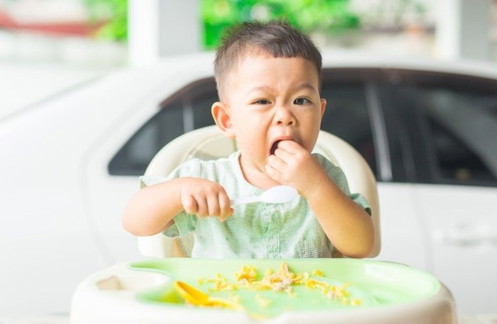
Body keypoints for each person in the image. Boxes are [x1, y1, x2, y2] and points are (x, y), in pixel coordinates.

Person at [122, 21, 374, 258]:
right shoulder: (205, 177)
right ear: (227, 119)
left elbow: (361, 246)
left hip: (307, 303)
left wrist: (317, 188)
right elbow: (134, 221)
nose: (285, 116)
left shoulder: (325, 178)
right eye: (263, 101)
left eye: (301, 100)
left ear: (320, 112)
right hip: (220, 302)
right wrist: (179, 191)